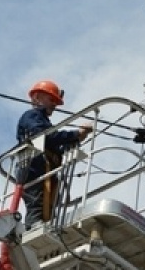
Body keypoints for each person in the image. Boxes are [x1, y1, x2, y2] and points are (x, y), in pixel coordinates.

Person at [16, 80, 92, 229]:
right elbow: (45, 137)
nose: (54, 105)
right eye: (52, 99)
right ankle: (33, 227)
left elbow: (54, 146)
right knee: (36, 202)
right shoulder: (31, 116)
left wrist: (77, 139)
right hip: (32, 169)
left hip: (45, 170)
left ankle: (46, 224)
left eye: (56, 101)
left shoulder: (44, 121)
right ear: (37, 97)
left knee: (48, 203)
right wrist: (75, 134)